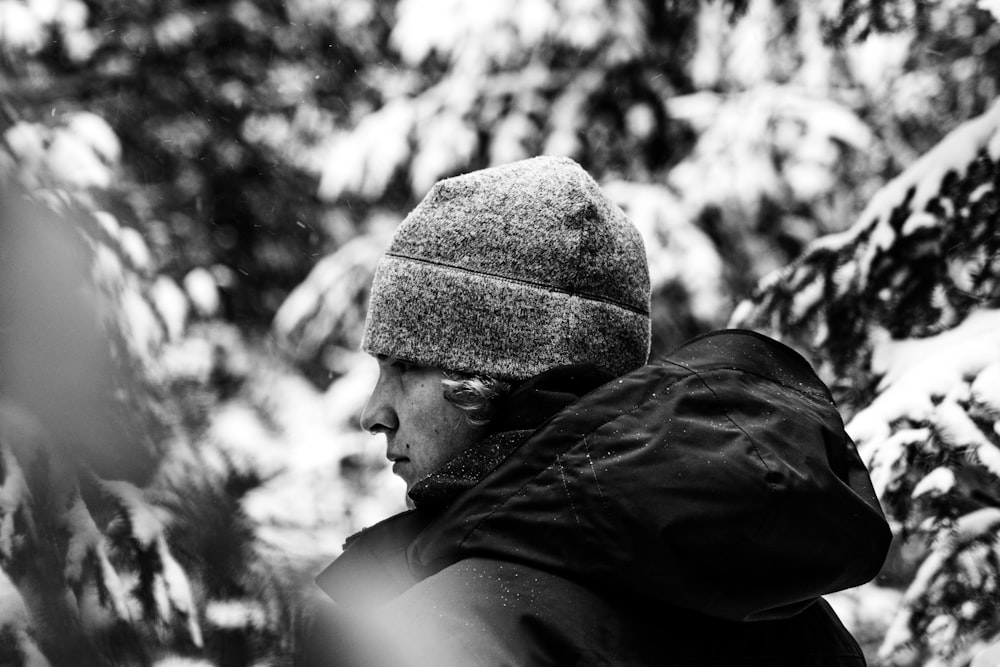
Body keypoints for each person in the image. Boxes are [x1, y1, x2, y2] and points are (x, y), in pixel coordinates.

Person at [302, 156, 891, 666]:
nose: (375, 413)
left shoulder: (446, 633)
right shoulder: (809, 632)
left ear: (494, 375)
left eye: (404, 366)